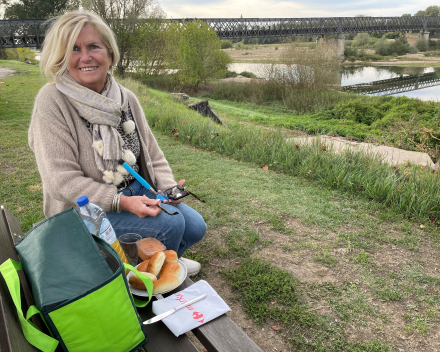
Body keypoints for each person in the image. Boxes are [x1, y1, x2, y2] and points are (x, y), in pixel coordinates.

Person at [28, 10, 206, 276]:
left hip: (136, 191)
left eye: (93, 46)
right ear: (61, 58)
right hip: (82, 212)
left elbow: (153, 154)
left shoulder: (126, 97)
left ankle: (163, 263)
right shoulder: (51, 100)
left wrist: (168, 189)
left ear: (109, 54)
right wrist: (121, 201)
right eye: (73, 49)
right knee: (170, 227)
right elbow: (60, 180)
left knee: (194, 226)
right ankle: (140, 282)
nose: (85, 57)